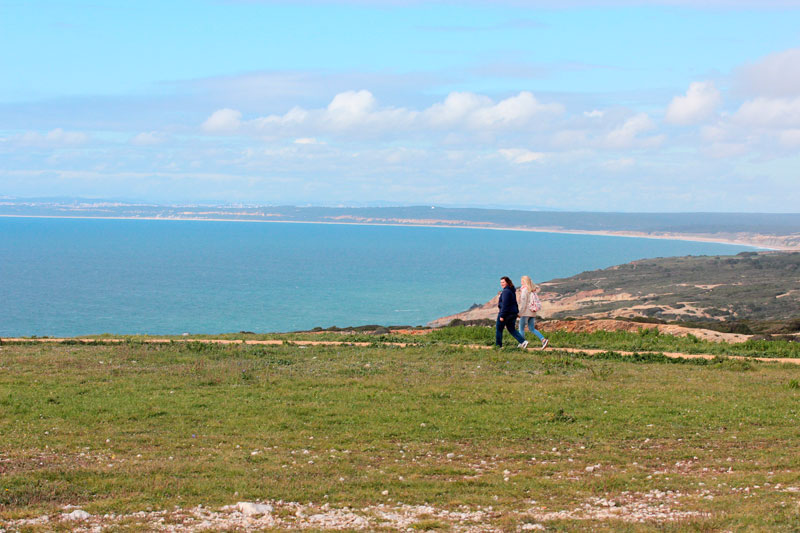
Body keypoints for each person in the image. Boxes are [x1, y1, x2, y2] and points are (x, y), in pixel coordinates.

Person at [496, 276, 529, 349]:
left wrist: (502, 315)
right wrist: (516, 312)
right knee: (511, 329)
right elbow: (514, 303)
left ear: (507, 282)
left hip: (506, 314)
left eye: (503, 282)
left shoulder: (505, 292)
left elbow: (505, 305)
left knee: (499, 329)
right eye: (501, 282)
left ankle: (498, 346)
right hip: (512, 313)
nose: (502, 284)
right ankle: (523, 342)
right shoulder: (511, 291)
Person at [518, 275, 549, 349]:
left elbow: (524, 303)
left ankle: (522, 343)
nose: (521, 282)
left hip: (526, 312)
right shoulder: (532, 290)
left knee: (521, 328)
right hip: (533, 312)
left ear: (524, 282)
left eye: (522, 281)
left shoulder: (524, 290)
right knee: (532, 328)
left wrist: (520, 313)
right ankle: (543, 340)